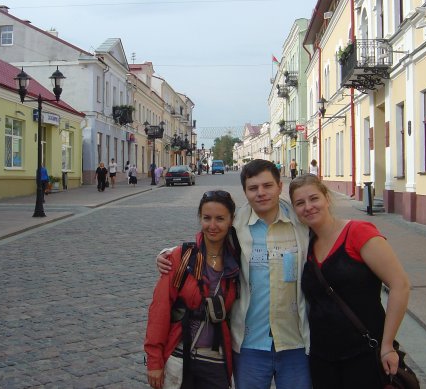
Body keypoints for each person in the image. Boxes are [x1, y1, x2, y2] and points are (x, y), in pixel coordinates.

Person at [158, 159, 311, 389]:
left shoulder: (301, 223)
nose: (261, 193)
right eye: (253, 188)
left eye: (267, 186)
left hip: (294, 341)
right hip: (251, 344)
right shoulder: (236, 226)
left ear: (280, 186)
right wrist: (168, 254)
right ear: (245, 192)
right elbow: (207, 242)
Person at [289, 174, 410, 388]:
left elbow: (400, 285)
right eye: (300, 203)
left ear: (327, 198)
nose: (308, 207)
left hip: (364, 353)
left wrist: (387, 345)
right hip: (322, 357)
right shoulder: (305, 244)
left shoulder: (357, 232)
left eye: (314, 198)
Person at [145, 190, 240, 389]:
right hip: (180, 358)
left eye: (220, 219)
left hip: (216, 361)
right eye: (207, 218)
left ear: (231, 220)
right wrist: (154, 360)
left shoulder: (237, 262)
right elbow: (159, 310)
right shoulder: (182, 258)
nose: (212, 225)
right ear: (200, 218)